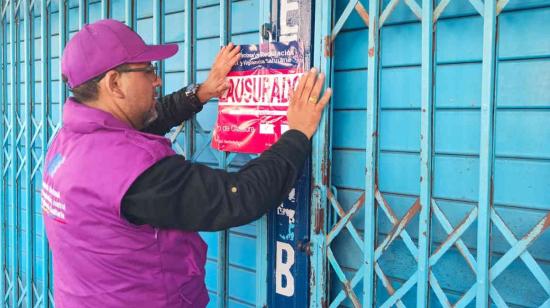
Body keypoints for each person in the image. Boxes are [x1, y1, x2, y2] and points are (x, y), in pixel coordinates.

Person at [41, 19, 331, 307]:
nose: (157, 80)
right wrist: (297, 133)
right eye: (148, 71)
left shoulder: (69, 141)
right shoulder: (138, 175)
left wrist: (202, 92)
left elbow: (140, 129)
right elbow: (240, 197)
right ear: (114, 83)